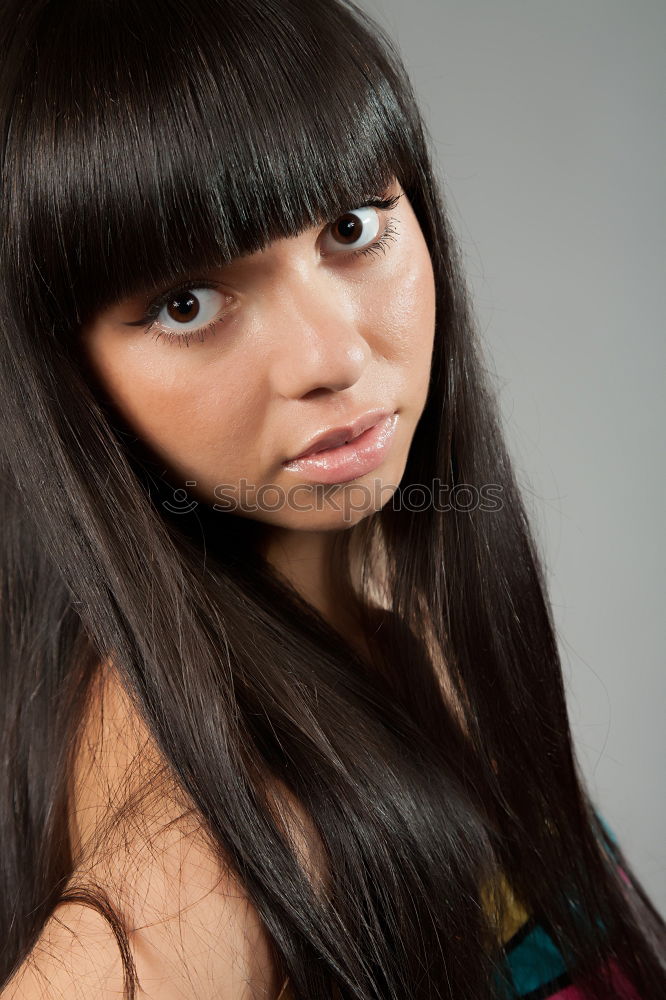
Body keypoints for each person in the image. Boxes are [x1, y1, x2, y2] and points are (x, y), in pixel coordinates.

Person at [0, 1, 663, 998]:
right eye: (189, 302)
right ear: (67, 375)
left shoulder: (392, 603)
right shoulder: (222, 825)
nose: (334, 355)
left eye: (353, 228)